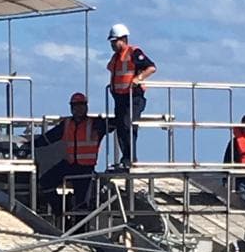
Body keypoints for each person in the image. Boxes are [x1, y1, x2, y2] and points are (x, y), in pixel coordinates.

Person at [34, 92, 108, 219]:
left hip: (86, 168)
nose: (79, 108)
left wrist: (107, 122)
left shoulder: (95, 124)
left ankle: (79, 232)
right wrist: (30, 145)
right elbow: (49, 138)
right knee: (45, 183)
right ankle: (61, 212)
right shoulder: (67, 124)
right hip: (69, 164)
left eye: (82, 105)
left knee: (81, 204)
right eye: (75, 105)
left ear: (86, 107)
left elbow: (114, 125)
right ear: (71, 108)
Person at [106, 23, 156, 169]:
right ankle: (126, 159)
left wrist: (138, 78)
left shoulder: (134, 52)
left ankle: (130, 159)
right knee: (121, 127)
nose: (113, 45)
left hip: (133, 97)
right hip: (120, 98)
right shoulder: (115, 57)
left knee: (128, 125)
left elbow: (151, 67)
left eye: (115, 41)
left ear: (123, 39)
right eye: (112, 42)